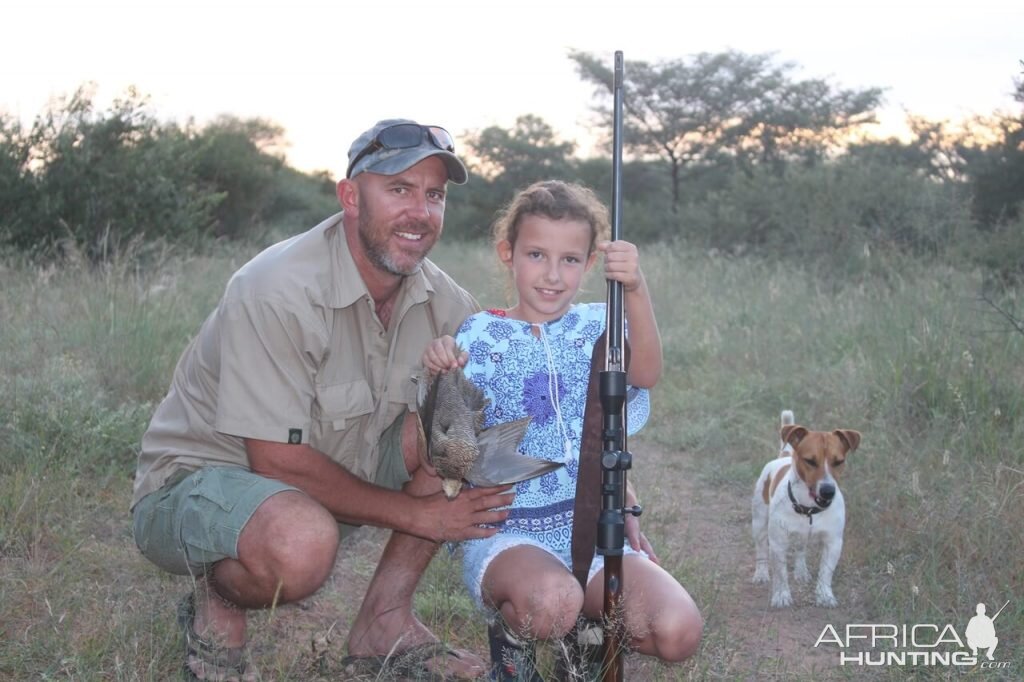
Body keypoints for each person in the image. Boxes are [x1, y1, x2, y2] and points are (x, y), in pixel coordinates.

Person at [130, 119, 512, 681]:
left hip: (328, 481)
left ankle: (383, 621)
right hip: (196, 484)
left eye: (434, 195)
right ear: (351, 197)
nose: (420, 212)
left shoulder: (448, 303)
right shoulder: (276, 288)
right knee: (301, 544)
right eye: (399, 189)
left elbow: (515, 405)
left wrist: (616, 502)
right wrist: (424, 516)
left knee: (456, 428)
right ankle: (219, 600)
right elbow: (275, 462)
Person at [422, 180, 703, 679]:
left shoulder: (602, 322)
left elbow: (646, 374)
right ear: (508, 253)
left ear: (591, 263)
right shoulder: (480, 333)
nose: (552, 275)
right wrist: (439, 369)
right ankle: (515, 646)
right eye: (536, 254)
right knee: (552, 601)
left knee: (678, 630)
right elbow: (450, 436)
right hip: (508, 534)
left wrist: (635, 289)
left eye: (570, 259)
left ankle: (585, 639)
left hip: (593, 534)